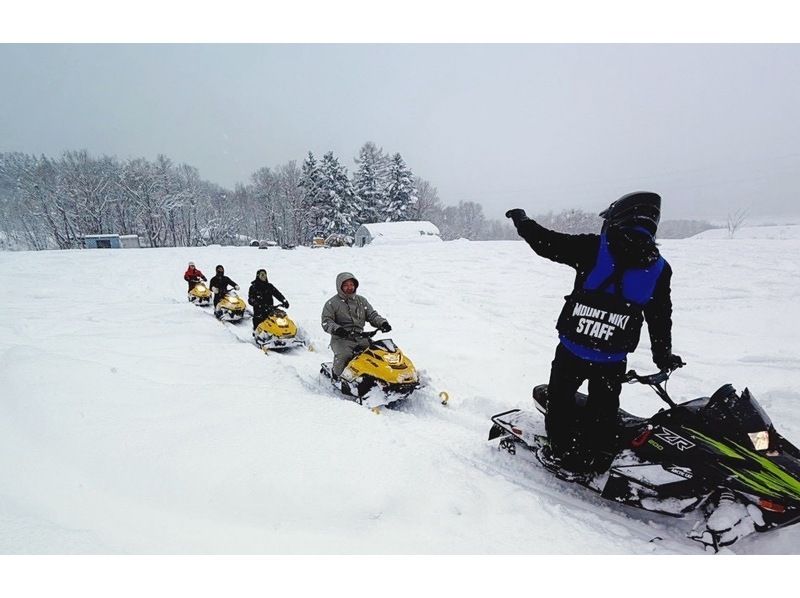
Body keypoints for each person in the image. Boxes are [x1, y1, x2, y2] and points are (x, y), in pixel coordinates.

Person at [506, 191, 682, 474]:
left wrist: (523, 222)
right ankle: (597, 456)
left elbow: (547, 243)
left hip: (573, 350)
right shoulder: (660, 269)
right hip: (612, 359)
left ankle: (563, 454)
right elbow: (660, 316)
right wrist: (663, 356)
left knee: (560, 402)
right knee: (604, 411)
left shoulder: (594, 247)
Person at [321, 272, 392, 379]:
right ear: (340, 286)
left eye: (351, 285)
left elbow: (372, 315)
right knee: (344, 355)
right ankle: (337, 376)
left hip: (361, 337)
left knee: (377, 354)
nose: (349, 287)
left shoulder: (361, 301)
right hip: (341, 339)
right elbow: (326, 321)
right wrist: (337, 329)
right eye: (346, 285)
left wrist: (382, 323)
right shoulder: (332, 303)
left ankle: (382, 377)